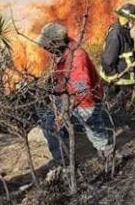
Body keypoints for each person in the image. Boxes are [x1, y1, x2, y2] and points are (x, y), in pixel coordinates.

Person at [36, 22, 114, 165]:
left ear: (57, 42)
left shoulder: (77, 56)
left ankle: (105, 153)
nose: (45, 49)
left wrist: (66, 111)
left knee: (92, 125)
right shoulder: (59, 52)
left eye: (47, 46)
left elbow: (82, 88)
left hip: (86, 100)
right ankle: (63, 160)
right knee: (49, 123)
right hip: (67, 96)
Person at [99, 3, 135, 112]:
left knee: (121, 106)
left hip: (123, 79)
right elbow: (108, 60)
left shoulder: (123, 31)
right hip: (119, 81)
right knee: (117, 108)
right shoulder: (116, 35)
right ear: (127, 20)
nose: (134, 23)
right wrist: (113, 75)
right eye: (133, 20)